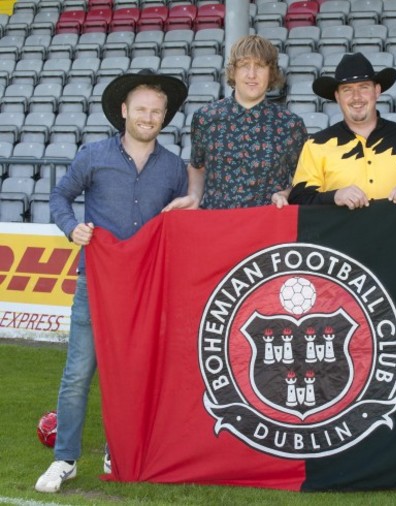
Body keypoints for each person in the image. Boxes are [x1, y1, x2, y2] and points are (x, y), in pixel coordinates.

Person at [35, 69, 189, 493]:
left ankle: (117, 450)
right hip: (95, 283)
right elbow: (59, 196)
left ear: (164, 117)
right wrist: (72, 227)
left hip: (145, 288)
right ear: (124, 111)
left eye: (156, 111)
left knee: (134, 372)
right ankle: (64, 459)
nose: (149, 116)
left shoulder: (175, 168)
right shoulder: (93, 155)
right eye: (141, 109)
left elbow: (182, 224)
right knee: (78, 373)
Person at [163, 35, 307, 212]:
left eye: (260, 66)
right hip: (218, 226)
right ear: (233, 71)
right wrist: (194, 196)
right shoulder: (206, 118)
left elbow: (303, 181)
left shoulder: (290, 125)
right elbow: (197, 166)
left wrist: (286, 194)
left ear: (271, 73)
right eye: (244, 65)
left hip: (267, 228)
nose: (252, 74)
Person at [288, 52, 396, 209]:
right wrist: (335, 196)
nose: (356, 97)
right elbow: (299, 200)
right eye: (347, 90)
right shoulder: (316, 144)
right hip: (341, 234)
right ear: (337, 96)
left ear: (377, 91)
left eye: (364, 87)